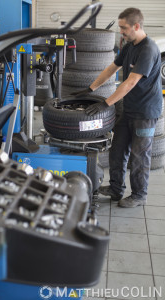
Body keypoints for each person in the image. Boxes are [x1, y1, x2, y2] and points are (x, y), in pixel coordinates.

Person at [72, 7, 162, 208]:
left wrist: (105, 103)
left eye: (124, 28)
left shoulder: (148, 49)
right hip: (129, 109)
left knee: (139, 156)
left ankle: (139, 195)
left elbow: (130, 82)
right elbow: (112, 68)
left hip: (145, 113)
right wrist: (90, 88)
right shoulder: (130, 45)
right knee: (117, 150)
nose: (120, 31)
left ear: (136, 26)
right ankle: (115, 189)